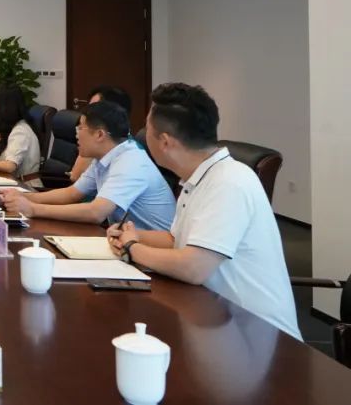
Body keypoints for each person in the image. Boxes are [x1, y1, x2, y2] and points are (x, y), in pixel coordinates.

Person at [107, 83, 301, 339]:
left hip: (258, 334)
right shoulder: (198, 177)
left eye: (147, 128)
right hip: (213, 317)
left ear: (165, 141)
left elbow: (193, 267)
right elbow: (177, 240)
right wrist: (133, 235)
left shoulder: (229, 182)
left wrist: (133, 248)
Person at [0, 100, 174, 229]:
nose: (76, 134)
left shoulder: (130, 162)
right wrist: (23, 196)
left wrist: (33, 209)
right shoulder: (103, 157)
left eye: (80, 128)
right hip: (124, 242)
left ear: (99, 135)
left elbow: (96, 213)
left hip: (152, 254)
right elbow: (72, 194)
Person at [69, 85, 132, 182]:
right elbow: (77, 185)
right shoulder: (103, 145)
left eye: (95, 107)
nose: (89, 112)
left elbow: (75, 176)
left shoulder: (127, 159)